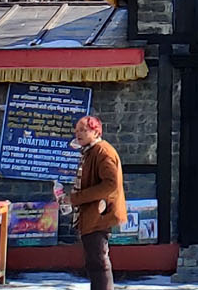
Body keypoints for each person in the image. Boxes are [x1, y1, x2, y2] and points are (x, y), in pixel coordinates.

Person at [68, 115, 126, 290]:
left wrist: (76, 198)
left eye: (83, 130)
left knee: (99, 260)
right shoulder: (89, 151)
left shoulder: (102, 151)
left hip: (100, 214)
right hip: (91, 214)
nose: (78, 134)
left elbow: (110, 184)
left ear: (96, 131)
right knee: (93, 260)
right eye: (77, 130)